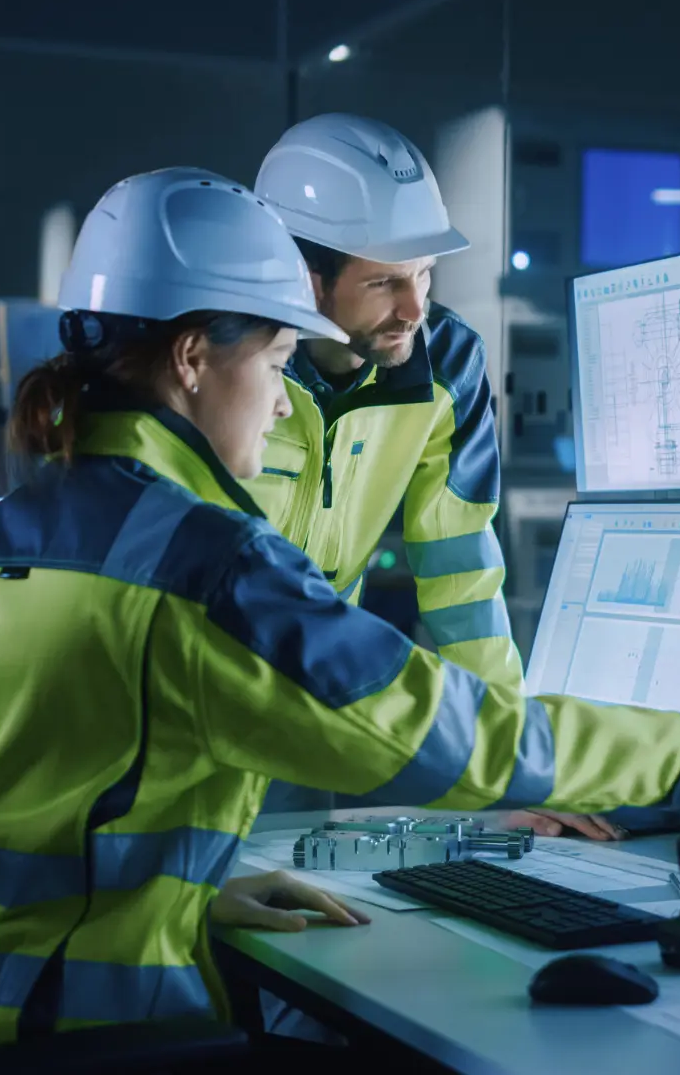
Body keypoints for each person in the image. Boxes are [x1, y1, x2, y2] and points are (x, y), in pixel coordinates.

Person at [0, 167, 680, 1074]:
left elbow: (10, 817)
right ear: (196, 358)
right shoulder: (199, 566)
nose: (283, 407)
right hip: (73, 1033)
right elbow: (439, 730)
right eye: (280, 359)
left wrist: (189, 895)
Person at [250, 114, 608, 838]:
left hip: (298, 721)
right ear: (303, 279)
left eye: (424, 275)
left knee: (278, 912)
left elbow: (461, 578)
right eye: (384, 282)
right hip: (182, 708)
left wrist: (508, 769)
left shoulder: (446, 364)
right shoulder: (232, 365)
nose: (415, 309)